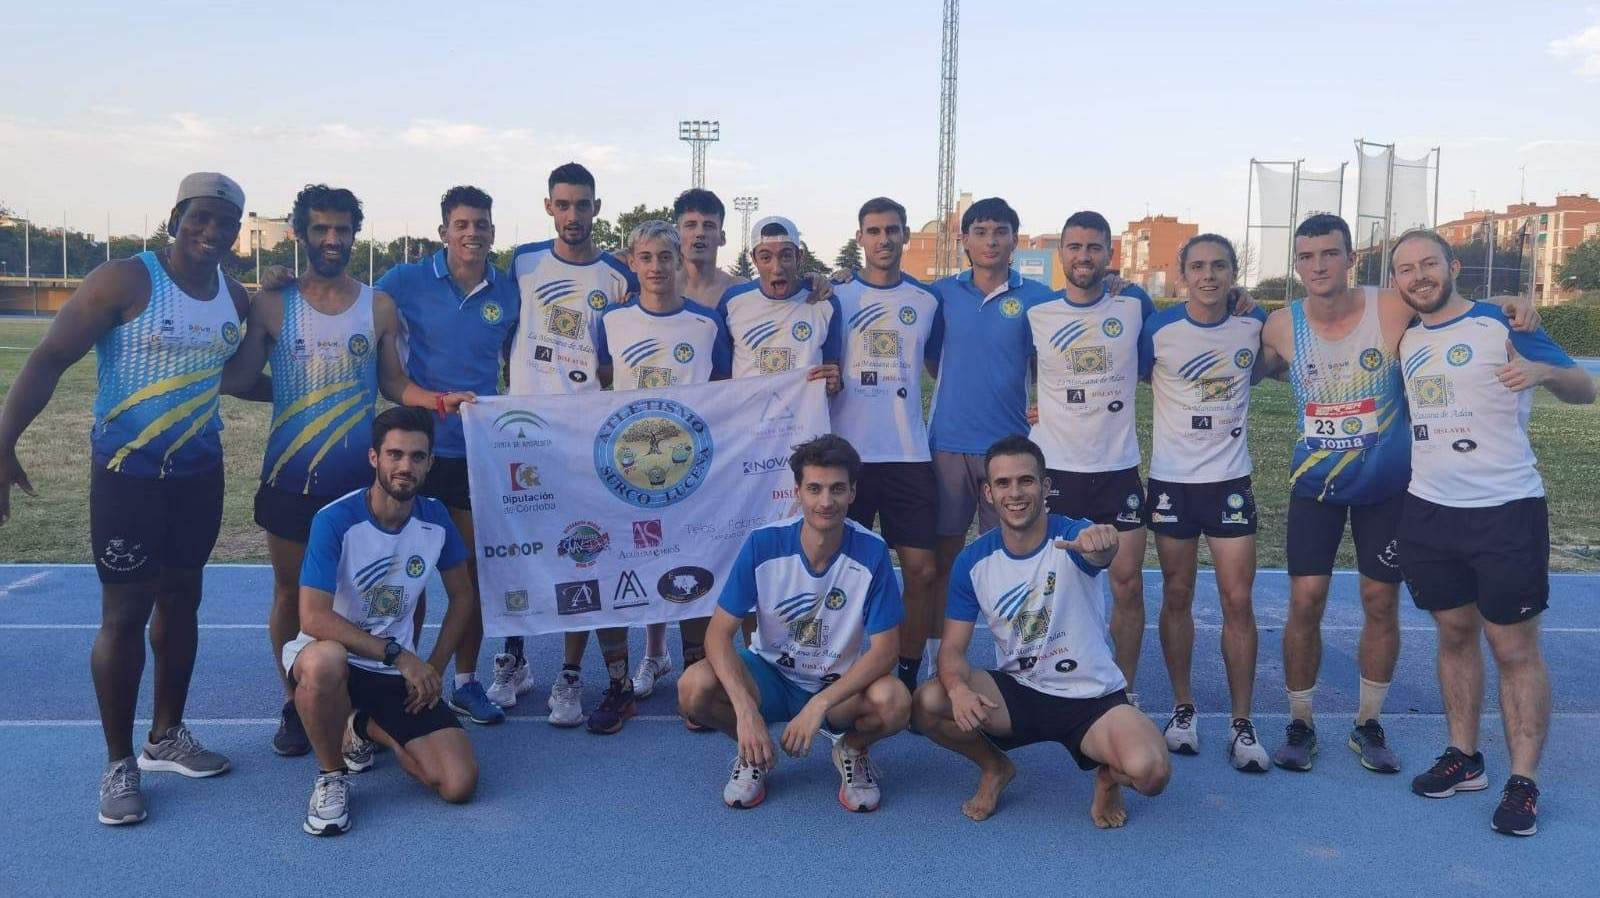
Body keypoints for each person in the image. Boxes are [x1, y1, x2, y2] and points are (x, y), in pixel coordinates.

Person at [0, 173, 252, 825]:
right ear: (175, 218)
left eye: (227, 221)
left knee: (183, 596)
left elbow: (240, 379)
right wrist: (4, 441)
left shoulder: (236, 297)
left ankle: (166, 734)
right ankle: (118, 763)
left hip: (199, 471)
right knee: (124, 612)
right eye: (201, 217)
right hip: (126, 474)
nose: (213, 230)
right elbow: (50, 358)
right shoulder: (125, 281)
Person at [1256, 213, 1539, 774]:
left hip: (1388, 487)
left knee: (1379, 601)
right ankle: (1300, 721)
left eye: (1330, 254)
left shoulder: (1392, 306)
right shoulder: (1279, 325)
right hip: (1314, 486)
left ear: (1350, 258)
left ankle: (1368, 722)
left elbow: (1450, 303)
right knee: (1305, 601)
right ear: (1296, 265)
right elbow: (1258, 366)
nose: (1318, 266)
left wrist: (1509, 300)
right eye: (1307, 257)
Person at [221, 184, 474, 756]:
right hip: (293, 478)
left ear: (356, 234)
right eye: (321, 229)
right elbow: (237, 379)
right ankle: (296, 701)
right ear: (301, 233)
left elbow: (391, 383)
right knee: (292, 594)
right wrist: (294, 392)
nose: (332, 240)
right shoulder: (272, 303)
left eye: (343, 230)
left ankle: (389, 691)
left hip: (361, 482)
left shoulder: (377, 305)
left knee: (401, 587)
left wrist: (436, 401)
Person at [1388, 229, 1593, 836]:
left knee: (1513, 648)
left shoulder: (1503, 322)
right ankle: (1465, 757)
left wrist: (1542, 373)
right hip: (1428, 510)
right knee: (1453, 633)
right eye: (1405, 269)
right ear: (1395, 281)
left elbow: (1585, 389)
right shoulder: (1403, 336)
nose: (1419, 276)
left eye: (1429, 264)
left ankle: (1523, 781)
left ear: (1453, 266)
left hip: (1505, 510)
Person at [913, 435, 1170, 827]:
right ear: (988, 493)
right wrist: (959, 689)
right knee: (930, 700)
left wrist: (1103, 542)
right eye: (1003, 483)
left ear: (1045, 487)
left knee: (1150, 773)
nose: (1015, 493)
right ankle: (994, 767)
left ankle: (1107, 779)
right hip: (1020, 693)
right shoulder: (973, 562)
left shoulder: (1073, 538)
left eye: (1026, 481)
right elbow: (951, 651)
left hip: (1090, 697)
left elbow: (1100, 549)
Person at [678, 435, 910, 811]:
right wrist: (745, 712)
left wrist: (819, 704)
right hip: (769, 675)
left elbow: (886, 651)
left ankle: (851, 749)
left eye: (837, 489)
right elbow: (718, 634)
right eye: (814, 488)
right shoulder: (762, 544)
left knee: (894, 701)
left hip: (836, 686)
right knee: (693, 687)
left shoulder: (872, 551)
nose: (826, 501)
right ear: (797, 491)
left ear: (853, 493)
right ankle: (751, 752)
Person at [491, 163, 639, 726]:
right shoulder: (524, 262)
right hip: (521, 436)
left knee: (582, 551)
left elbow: (618, 353)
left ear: (597, 208)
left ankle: (572, 673)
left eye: (583, 205)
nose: (573, 215)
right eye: (563, 204)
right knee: (518, 551)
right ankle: (514, 658)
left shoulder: (618, 277)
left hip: (583, 437)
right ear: (548, 206)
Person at [289, 407, 481, 836]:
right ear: (374, 458)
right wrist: (399, 655)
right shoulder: (335, 520)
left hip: (395, 670)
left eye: (417, 457)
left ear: (430, 462)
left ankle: (363, 726)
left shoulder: (436, 520)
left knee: (458, 784)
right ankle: (331, 776)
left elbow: (463, 596)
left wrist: (433, 666)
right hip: (336, 657)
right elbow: (312, 616)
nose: (405, 466)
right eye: (395, 454)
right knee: (324, 664)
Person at [373, 186, 521, 727]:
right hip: (415, 447)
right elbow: (343, 304)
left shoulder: (506, 291)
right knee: (402, 576)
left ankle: (463, 679)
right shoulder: (403, 281)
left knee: (470, 576)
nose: (472, 233)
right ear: (443, 232)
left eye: (481, 224)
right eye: (461, 224)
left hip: (473, 452)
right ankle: (397, 674)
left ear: (492, 230)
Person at [579, 220, 731, 733]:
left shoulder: (708, 324)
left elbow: (728, 392)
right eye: (645, 258)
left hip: (689, 476)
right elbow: (601, 381)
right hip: (624, 476)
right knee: (615, 571)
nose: (656, 268)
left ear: (678, 260)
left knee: (692, 568)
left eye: (665, 257)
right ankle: (619, 684)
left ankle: (693, 676)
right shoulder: (612, 322)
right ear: (632, 262)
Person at [1137, 234, 1269, 771]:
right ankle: (1183, 709)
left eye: (1219, 266)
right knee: (1177, 594)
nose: (1209, 276)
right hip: (1172, 483)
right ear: (1182, 273)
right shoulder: (1158, 329)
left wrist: (1256, 307)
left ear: (1234, 272)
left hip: (1229, 482)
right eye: (1199, 267)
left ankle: (1241, 722)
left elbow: (1266, 368)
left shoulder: (1254, 325)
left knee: (1238, 601)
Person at [924, 198, 1058, 694]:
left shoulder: (1039, 298)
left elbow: (1054, 358)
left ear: (1015, 239)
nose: (990, 240)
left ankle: (1018, 665)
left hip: (1009, 453)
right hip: (948, 446)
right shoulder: (940, 294)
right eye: (979, 231)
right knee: (945, 558)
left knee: (1012, 560)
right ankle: (941, 662)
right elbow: (932, 361)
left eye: (1000, 231)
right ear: (964, 240)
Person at [1026, 211, 1157, 699]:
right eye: (1075, 247)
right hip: (1057, 470)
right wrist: (1026, 408)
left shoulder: (1133, 305)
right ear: (1061, 252)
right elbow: (1001, 368)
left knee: (1127, 585)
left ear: (1109, 254)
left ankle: (1121, 687)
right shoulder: (1038, 314)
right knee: (1058, 586)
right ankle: (1049, 678)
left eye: (1094, 247)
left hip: (1118, 469)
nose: (1084, 256)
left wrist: (1238, 299)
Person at [830, 197, 942, 696]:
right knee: (844, 572)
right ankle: (842, 667)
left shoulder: (927, 301)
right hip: (846, 457)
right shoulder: (832, 298)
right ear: (860, 237)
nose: (883, 239)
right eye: (873, 231)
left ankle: (909, 670)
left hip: (907, 456)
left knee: (921, 569)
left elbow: (946, 369)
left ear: (906, 235)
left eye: (892, 230)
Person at [716, 215, 842, 393]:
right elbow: (720, 380)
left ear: (799, 256)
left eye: (786, 256)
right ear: (754, 259)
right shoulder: (732, 302)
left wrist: (833, 383)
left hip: (801, 420)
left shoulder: (823, 302)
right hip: (750, 420)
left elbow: (833, 373)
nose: (777, 268)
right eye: (766, 257)